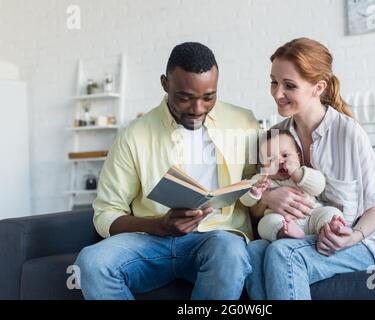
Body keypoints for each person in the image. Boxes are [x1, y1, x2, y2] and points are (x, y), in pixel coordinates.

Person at [75, 42, 260, 300]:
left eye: (208, 97)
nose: (198, 109)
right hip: (150, 240)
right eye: (185, 98)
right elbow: (106, 213)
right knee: (91, 263)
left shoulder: (243, 122)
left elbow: (257, 182)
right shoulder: (134, 135)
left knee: (231, 253)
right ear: (165, 83)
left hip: (217, 239)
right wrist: (158, 226)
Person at [245, 38, 375, 300]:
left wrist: (352, 237)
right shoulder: (276, 137)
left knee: (284, 253)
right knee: (253, 252)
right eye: (274, 82)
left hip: (364, 242)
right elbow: (255, 199)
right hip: (308, 232)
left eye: (289, 86)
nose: (277, 93)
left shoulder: (348, 133)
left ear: (317, 87)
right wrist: (266, 197)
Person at [240, 129, 346, 241]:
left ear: (298, 157)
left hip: (312, 216)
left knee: (331, 212)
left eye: (285, 155)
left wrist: (297, 174)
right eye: (270, 160)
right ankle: (284, 233)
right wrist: (254, 193)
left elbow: (319, 186)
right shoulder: (261, 180)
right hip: (282, 220)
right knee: (265, 224)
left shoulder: (304, 173)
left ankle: (330, 228)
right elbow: (244, 199)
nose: (280, 161)